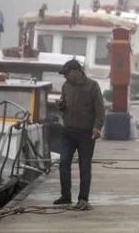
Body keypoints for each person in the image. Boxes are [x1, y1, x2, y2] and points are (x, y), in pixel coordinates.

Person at [53, 59, 105, 210]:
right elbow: (65, 106)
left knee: (84, 166)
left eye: (67, 74)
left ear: (77, 72)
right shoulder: (66, 86)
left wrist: (97, 127)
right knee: (63, 162)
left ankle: (83, 198)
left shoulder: (92, 86)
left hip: (86, 134)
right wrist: (61, 106)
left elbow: (100, 110)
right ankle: (66, 196)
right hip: (68, 132)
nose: (65, 78)